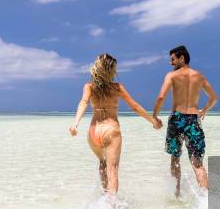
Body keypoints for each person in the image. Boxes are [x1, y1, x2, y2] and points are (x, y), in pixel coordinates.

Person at [69, 53, 162, 197]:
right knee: (113, 171)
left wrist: (75, 124)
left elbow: (84, 102)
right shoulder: (117, 87)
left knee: (102, 163)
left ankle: (104, 199)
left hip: (94, 132)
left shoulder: (89, 87)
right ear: (110, 70)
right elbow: (135, 106)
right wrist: (153, 121)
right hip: (111, 130)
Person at [153, 45, 218, 198]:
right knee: (197, 163)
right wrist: (204, 111)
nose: (171, 63)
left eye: (173, 59)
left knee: (175, 158)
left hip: (177, 119)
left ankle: (176, 196)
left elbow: (161, 96)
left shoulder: (171, 76)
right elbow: (214, 98)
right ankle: (206, 201)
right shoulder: (199, 76)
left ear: (182, 58)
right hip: (193, 120)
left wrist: (154, 116)